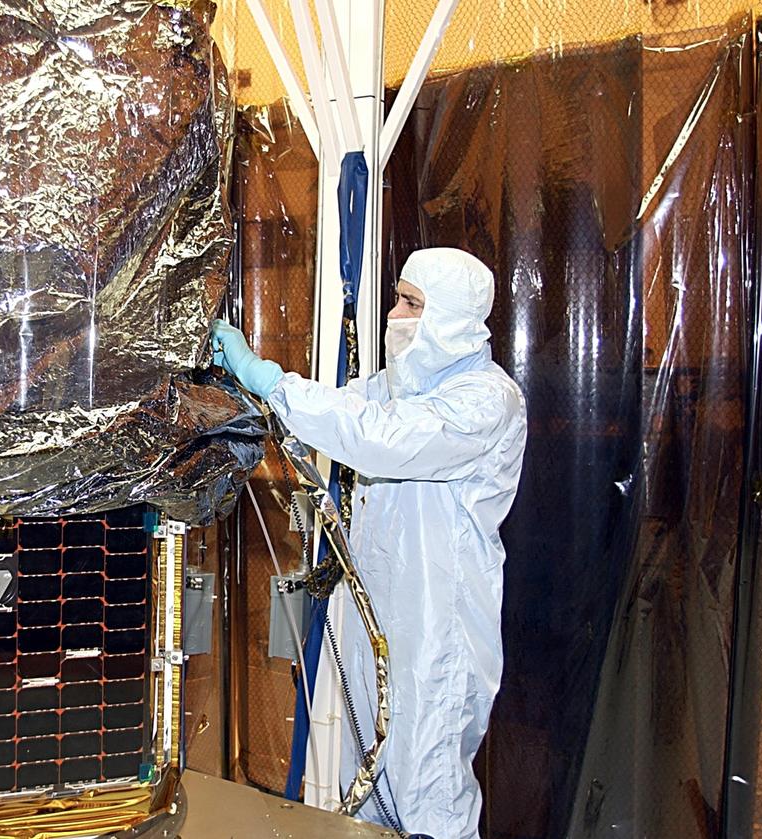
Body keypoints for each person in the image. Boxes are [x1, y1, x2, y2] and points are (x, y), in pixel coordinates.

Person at [211, 247, 527, 839]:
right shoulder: (394, 386)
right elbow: (345, 412)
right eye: (398, 298)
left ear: (454, 317)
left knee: (429, 799)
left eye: (413, 303)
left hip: (437, 639)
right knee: (370, 787)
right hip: (377, 624)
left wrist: (270, 379)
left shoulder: (486, 400)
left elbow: (380, 439)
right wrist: (252, 388)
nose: (395, 314)